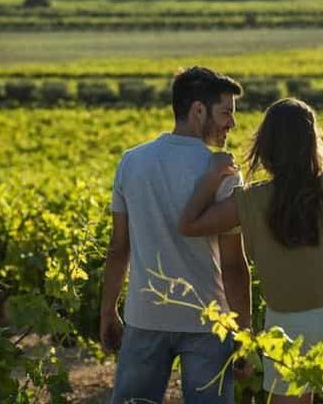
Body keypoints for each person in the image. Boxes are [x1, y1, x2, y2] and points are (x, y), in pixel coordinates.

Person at [178, 98, 323, 404]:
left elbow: (190, 224)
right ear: (313, 142)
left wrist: (212, 177)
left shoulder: (250, 200)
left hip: (287, 327)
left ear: (266, 146)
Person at [100, 66, 252, 404]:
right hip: (209, 323)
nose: (232, 123)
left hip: (145, 316)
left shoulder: (131, 162)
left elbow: (118, 248)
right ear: (198, 110)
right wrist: (244, 331)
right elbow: (233, 264)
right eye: (226, 112)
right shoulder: (224, 171)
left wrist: (109, 310)